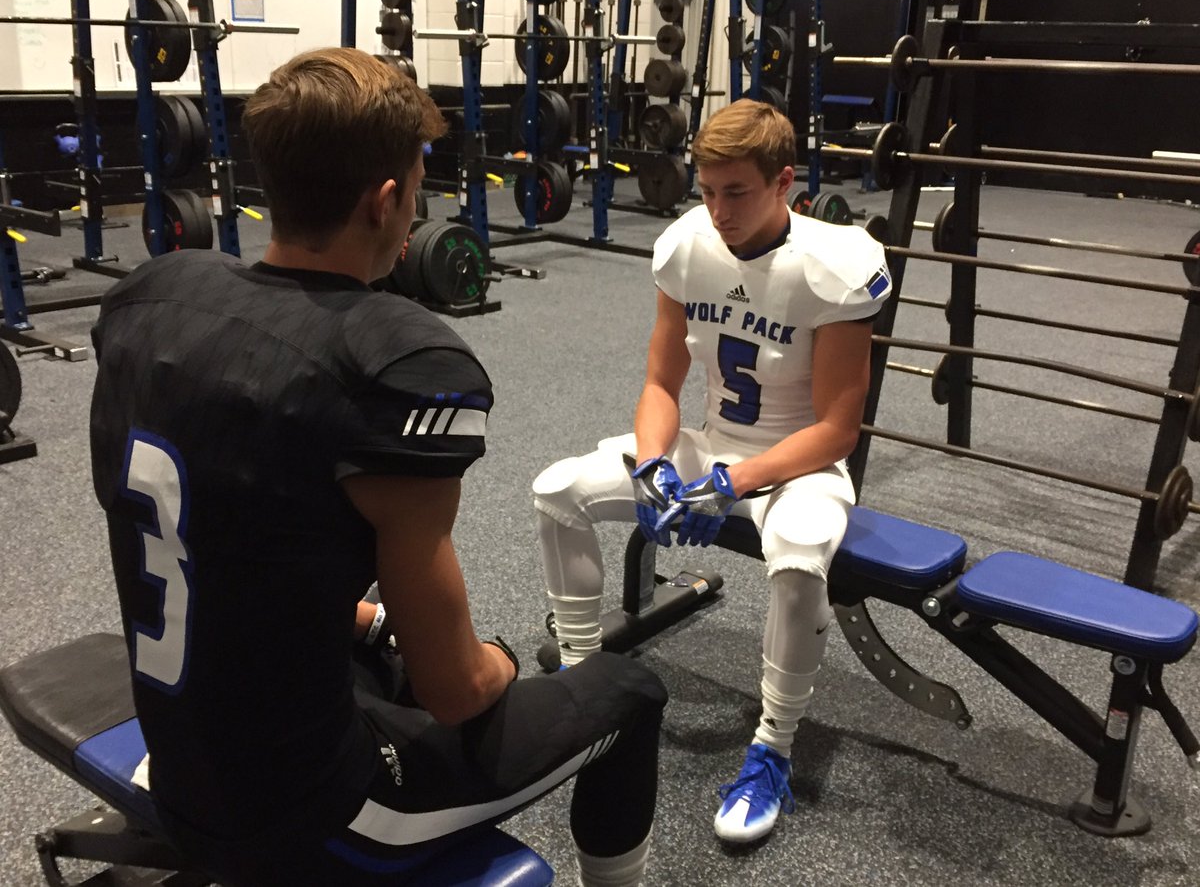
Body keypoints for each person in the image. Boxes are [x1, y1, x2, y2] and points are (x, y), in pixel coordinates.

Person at [90, 47, 666, 887]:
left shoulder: (154, 298)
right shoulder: (394, 359)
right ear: (387, 200)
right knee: (629, 692)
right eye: (419, 185)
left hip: (180, 757)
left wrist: (367, 623)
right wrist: (505, 661)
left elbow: (221, 536)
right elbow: (457, 689)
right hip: (320, 814)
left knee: (384, 648)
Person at [533, 98, 891, 844]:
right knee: (560, 491)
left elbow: (836, 431)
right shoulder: (688, 244)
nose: (718, 211)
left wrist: (735, 483)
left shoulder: (834, 266)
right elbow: (660, 385)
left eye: (737, 192)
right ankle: (582, 686)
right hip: (710, 443)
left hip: (798, 465)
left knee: (798, 558)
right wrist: (653, 463)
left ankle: (773, 750)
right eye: (706, 190)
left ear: (785, 182)